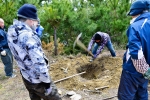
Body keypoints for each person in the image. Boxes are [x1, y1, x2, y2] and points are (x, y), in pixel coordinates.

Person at [7, 4, 61, 100]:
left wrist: (35, 36)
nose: (37, 25)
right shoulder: (29, 36)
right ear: (31, 21)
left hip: (26, 77)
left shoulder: (11, 31)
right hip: (38, 80)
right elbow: (39, 63)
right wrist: (47, 84)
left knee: (34, 97)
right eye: (36, 22)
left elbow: (22, 49)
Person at [118, 0, 150, 100]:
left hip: (132, 71)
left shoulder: (135, 26)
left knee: (125, 96)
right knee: (142, 94)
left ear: (135, 13)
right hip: (147, 69)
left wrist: (145, 70)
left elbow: (136, 53)